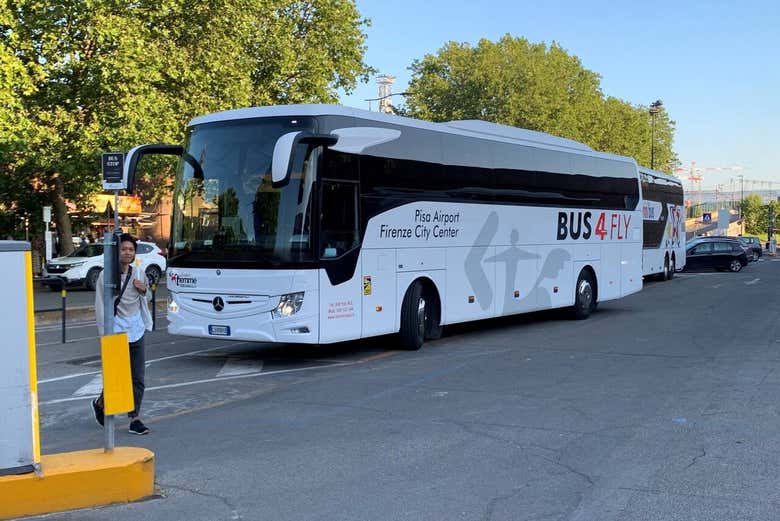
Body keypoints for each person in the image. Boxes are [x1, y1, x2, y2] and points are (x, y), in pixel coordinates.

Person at [91, 233, 153, 435]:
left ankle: (135, 418)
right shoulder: (106, 276)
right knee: (116, 376)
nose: (127, 253)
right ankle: (101, 403)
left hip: (136, 329)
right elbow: (100, 305)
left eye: (131, 250)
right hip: (115, 329)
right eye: (124, 249)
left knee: (138, 378)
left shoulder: (139, 273)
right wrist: (104, 334)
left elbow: (147, 296)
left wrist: (144, 290)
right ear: (117, 252)